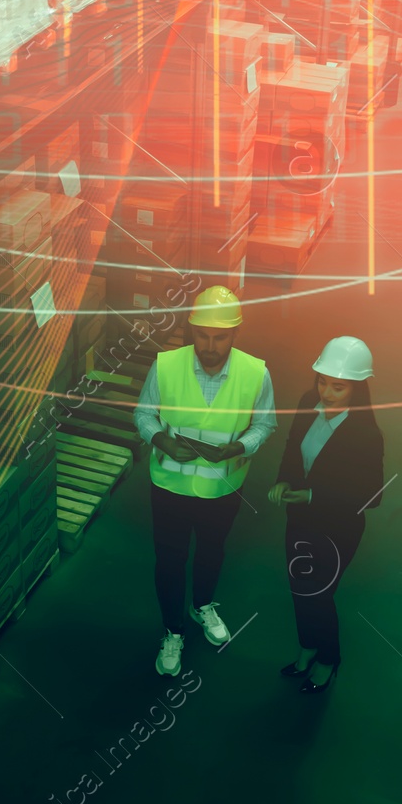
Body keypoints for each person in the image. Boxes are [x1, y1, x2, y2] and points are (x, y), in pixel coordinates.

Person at [134, 286, 276, 677]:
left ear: (235, 334)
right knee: (170, 560)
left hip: (222, 489)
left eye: (220, 337)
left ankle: (203, 606)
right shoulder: (165, 365)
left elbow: (265, 423)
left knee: (212, 551)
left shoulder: (256, 373)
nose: (210, 346)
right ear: (191, 329)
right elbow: (143, 415)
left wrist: (239, 447)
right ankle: (173, 631)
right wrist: (160, 438)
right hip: (169, 487)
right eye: (202, 335)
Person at [270, 336, 384, 694]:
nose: (327, 392)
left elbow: (372, 495)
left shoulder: (366, 435)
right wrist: (283, 480)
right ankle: (308, 647)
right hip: (300, 521)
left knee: (318, 595)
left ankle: (329, 658)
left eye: (339, 386)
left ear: (357, 387)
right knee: (299, 589)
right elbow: (292, 448)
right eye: (323, 381)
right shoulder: (308, 403)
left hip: (338, 530)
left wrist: (313, 495)